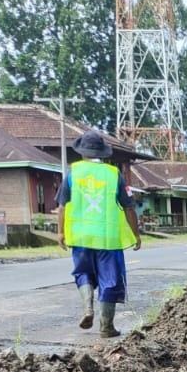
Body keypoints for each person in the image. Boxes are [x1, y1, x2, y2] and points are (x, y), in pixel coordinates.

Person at [56, 130, 142, 338]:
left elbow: (62, 206)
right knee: (109, 280)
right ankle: (106, 327)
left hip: (80, 236)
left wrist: (60, 233)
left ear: (82, 152)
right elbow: (129, 207)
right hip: (108, 238)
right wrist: (136, 235)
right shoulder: (114, 175)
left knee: (83, 272)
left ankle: (87, 308)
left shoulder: (72, 173)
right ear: (103, 153)